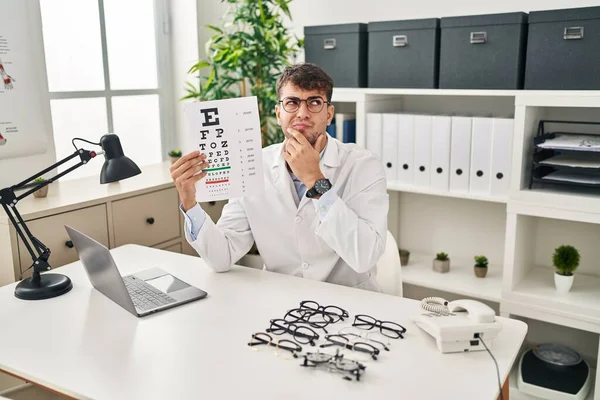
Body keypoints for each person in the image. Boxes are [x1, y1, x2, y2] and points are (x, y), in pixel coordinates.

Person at [170, 62, 388, 291]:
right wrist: (190, 201)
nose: (302, 113)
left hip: (353, 304)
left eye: (314, 102)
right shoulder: (254, 165)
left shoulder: (363, 165)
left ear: (329, 114)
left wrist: (315, 180)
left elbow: (364, 256)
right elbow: (221, 257)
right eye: (292, 103)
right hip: (283, 303)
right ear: (278, 113)